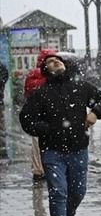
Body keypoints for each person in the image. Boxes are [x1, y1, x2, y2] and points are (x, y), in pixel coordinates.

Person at [19, 53, 101, 216]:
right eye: (51, 62)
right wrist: (46, 129)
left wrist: (95, 113)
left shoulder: (81, 87)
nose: (56, 62)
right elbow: (26, 119)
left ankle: (69, 215)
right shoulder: (41, 93)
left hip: (78, 148)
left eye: (58, 59)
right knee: (58, 190)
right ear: (45, 70)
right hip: (52, 151)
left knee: (78, 191)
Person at [25, 49, 58, 181]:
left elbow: (27, 93)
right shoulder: (49, 76)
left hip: (37, 116)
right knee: (47, 142)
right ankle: (46, 168)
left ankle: (38, 170)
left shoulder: (33, 75)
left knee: (36, 143)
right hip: (48, 115)